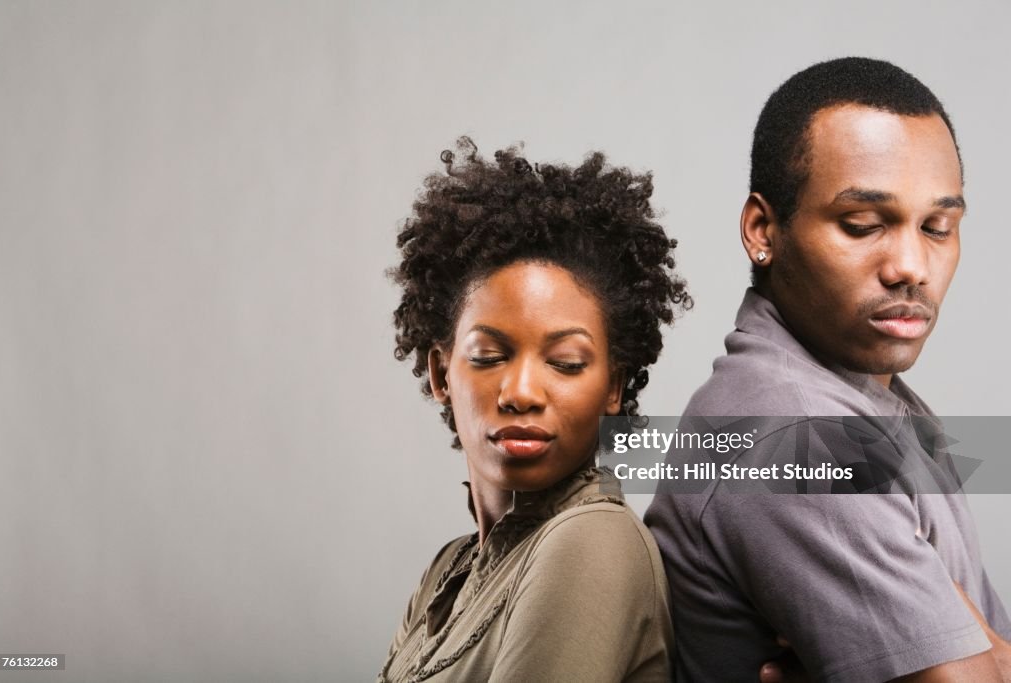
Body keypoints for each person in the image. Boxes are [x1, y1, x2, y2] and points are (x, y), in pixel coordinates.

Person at [645, 57, 1011, 682]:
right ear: (763, 229)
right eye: (863, 224)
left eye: (938, 227)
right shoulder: (793, 432)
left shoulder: (869, 400)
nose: (910, 266)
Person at [378, 138, 689, 681]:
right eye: (490, 356)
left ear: (613, 388)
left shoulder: (592, 541)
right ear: (439, 373)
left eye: (566, 362)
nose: (521, 391)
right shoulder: (445, 576)